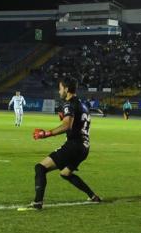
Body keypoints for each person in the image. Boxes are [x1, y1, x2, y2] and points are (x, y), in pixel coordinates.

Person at [19, 78, 100, 211]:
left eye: (60, 88)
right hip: (84, 148)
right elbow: (77, 124)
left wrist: (46, 134)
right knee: (65, 173)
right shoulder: (83, 104)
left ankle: (37, 203)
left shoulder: (69, 104)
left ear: (67, 89)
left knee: (40, 168)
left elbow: (67, 126)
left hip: (74, 146)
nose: (59, 91)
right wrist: (65, 118)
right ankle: (93, 196)